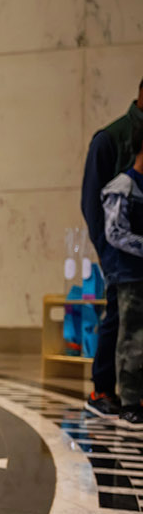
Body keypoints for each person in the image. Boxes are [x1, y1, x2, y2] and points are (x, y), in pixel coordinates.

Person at [81, 80, 143, 416]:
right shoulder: (111, 139)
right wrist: (109, 256)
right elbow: (93, 206)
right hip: (121, 258)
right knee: (121, 319)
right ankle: (103, 388)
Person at [102, 144, 143, 423]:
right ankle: (129, 400)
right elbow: (114, 232)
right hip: (129, 275)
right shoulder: (123, 186)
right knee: (132, 338)